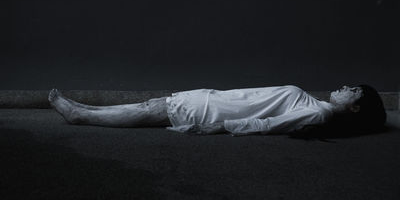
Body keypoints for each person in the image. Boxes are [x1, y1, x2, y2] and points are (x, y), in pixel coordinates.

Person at [48, 84, 386, 138]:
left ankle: (80, 115)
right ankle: (84, 108)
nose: (344, 86)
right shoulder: (317, 105)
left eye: (352, 90)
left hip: (211, 113)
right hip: (214, 100)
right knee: (152, 106)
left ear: (354, 107)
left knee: (151, 108)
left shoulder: (319, 114)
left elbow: (268, 123)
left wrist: (220, 127)